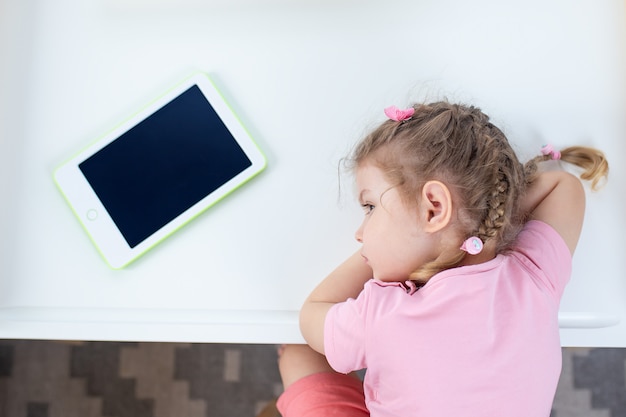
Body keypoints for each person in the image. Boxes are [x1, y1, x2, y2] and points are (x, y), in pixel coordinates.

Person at [275, 101, 609, 417]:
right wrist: (482, 221)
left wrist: (376, 255)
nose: (360, 232)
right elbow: (562, 186)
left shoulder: (381, 314)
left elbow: (313, 313)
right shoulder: (532, 278)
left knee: (297, 353)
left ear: (434, 207)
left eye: (371, 208)